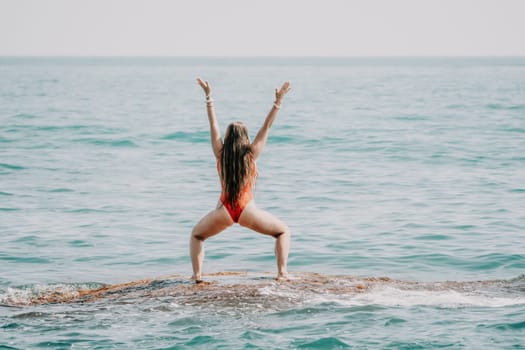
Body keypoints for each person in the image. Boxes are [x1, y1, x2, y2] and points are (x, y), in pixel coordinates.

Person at [190, 77, 292, 283]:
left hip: (224, 211)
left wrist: (209, 97)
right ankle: (282, 273)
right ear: (245, 137)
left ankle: (198, 275)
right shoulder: (252, 154)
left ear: (228, 137)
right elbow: (267, 127)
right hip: (247, 210)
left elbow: (213, 124)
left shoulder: (220, 153)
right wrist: (278, 102)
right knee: (282, 232)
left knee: (197, 236)